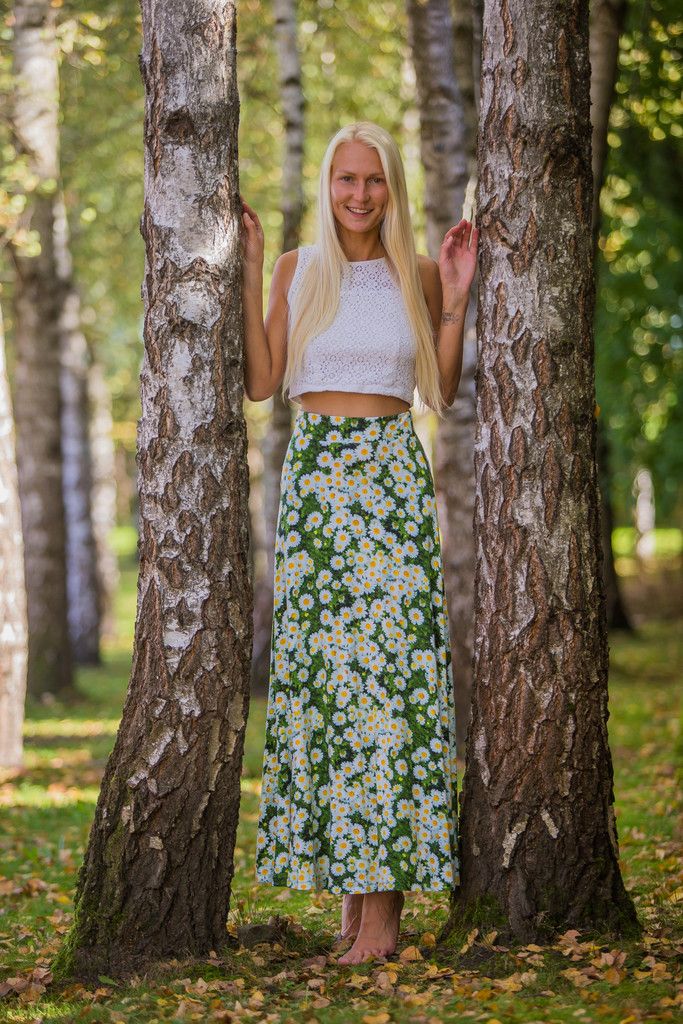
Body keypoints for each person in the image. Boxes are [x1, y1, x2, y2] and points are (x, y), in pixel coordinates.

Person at [240, 120, 478, 965]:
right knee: (330, 691)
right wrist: (248, 270)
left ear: (391, 188)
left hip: (388, 480)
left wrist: (454, 297)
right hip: (316, 486)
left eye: (373, 180)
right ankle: (352, 896)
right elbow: (262, 382)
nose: (359, 194)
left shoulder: (416, 273)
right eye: (346, 178)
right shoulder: (297, 269)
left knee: (391, 691)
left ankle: (383, 917)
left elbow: (438, 391)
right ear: (327, 185)